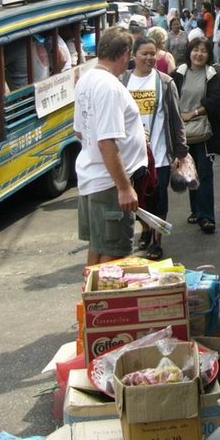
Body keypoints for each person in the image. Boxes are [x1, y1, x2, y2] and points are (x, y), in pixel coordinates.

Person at [74, 27, 149, 265]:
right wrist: (124, 187)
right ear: (126, 54)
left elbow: (80, 130)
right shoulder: (109, 86)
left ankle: (92, 301)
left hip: (94, 179)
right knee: (113, 253)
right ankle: (102, 301)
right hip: (108, 184)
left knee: (98, 246)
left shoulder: (87, 79)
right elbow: (106, 141)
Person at [120, 35, 189, 260]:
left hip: (159, 154)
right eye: (144, 54)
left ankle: (157, 241)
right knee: (138, 199)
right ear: (134, 56)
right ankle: (146, 229)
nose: (149, 58)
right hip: (132, 155)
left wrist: (181, 151)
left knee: (159, 199)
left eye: (153, 53)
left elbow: (176, 119)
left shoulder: (165, 82)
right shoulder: (123, 81)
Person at [171, 36, 220, 234]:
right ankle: (195, 211)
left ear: (209, 54)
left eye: (203, 51)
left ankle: (206, 217)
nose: (199, 54)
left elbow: (219, 101)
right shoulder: (179, 73)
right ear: (189, 52)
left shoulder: (212, 75)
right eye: (196, 50)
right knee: (189, 173)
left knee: (204, 173)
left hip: (204, 132)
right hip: (182, 132)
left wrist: (194, 113)